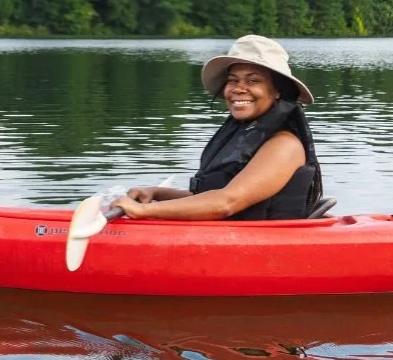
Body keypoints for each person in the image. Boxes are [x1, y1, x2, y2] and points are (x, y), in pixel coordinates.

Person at [111, 34, 323, 221]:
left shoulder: (284, 145)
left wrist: (142, 212)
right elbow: (213, 195)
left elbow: (226, 203)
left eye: (253, 80)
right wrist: (157, 193)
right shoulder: (245, 136)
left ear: (278, 91)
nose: (239, 89)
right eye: (233, 80)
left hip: (262, 250)